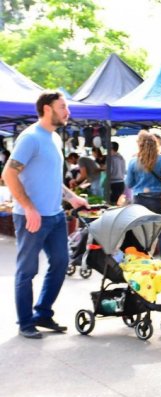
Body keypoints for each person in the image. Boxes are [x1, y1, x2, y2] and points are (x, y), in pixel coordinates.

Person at [1, 90, 88, 339]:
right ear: (47, 109)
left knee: (61, 263)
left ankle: (43, 313)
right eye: (63, 107)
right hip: (31, 217)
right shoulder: (30, 138)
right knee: (27, 271)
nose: (67, 112)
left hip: (55, 216)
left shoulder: (55, 139)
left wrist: (72, 198)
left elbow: (52, 178)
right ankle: (26, 322)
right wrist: (29, 207)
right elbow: (8, 174)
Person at [125, 130, 161, 261]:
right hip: (155, 200)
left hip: (138, 201)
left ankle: (140, 264)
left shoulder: (133, 161)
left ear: (140, 145)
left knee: (138, 234)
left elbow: (129, 183)